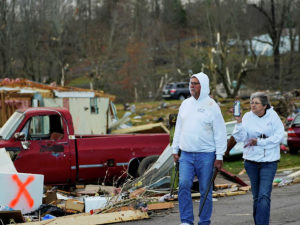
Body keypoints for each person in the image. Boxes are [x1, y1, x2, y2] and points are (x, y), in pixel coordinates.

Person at [172, 72, 227, 225]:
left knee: (205, 190)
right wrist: (174, 149)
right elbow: (178, 128)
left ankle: (204, 221)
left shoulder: (212, 106)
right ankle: (186, 221)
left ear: (203, 86)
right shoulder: (185, 104)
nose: (192, 86)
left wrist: (220, 155)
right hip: (186, 155)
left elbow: (220, 132)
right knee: (183, 185)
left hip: (206, 155)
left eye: (195, 83)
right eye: (191, 83)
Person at [232, 92, 284, 225]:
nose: (252, 105)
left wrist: (259, 142)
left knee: (264, 195)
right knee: (256, 197)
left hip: (269, 162)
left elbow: (279, 136)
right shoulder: (247, 116)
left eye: (256, 103)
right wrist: (238, 122)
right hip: (251, 162)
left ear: (265, 105)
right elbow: (241, 137)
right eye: (251, 103)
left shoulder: (273, 116)